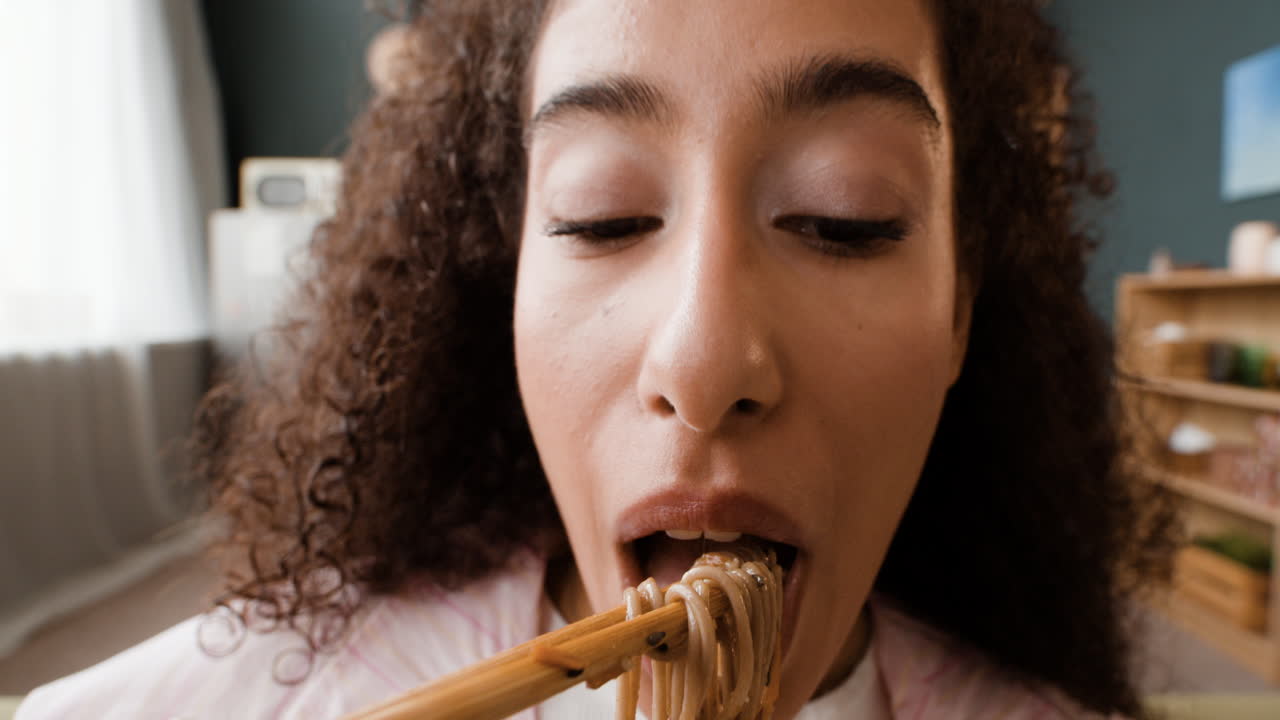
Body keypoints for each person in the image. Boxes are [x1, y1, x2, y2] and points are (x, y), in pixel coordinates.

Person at [17, 0, 1174, 718]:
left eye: (844, 217)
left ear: (959, 314)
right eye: (603, 215)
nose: (703, 355)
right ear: (504, 281)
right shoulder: (261, 693)